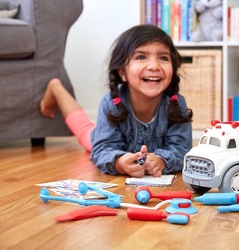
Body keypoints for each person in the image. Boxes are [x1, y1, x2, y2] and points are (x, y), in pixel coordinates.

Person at [40, 24, 193, 178]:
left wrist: (161, 161)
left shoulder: (177, 104)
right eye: (141, 57)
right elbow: (102, 149)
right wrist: (119, 162)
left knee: (88, 129)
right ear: (122, 73)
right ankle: (56, 88)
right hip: (103, 134)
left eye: (163, 58)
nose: (154, 66)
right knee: (86, 133)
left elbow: (182, 150)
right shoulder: (110, 103)